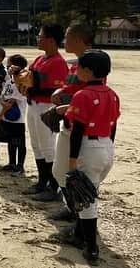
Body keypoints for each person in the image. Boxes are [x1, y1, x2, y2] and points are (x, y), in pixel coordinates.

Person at [63, 50, 120, 265]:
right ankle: (79, 234)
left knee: (86, 199)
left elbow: (77, 130)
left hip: (89, 147)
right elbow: (114, 125)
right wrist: (108, 147)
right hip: (106, 146)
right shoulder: (113, 94)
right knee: (90, 191)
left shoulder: (83, 95)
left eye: (79, 68)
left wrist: (71, 160)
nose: (76, 71)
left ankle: (92, 247)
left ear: (88, 71)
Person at [50, 23, 95, 222]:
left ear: (77, 39)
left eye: (67, 37)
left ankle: (81, 220)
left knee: (77, 174)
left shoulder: (93, 63)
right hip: (68, 122)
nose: (64, 41)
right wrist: (62, 92)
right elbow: (72, 87)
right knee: (59, 170)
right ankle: (72, 208)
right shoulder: (76, 63)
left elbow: (90, 97)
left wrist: (66, 107)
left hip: (81, 127)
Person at [20, 24, 68, 202]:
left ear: (51, 40)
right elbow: (28, 75)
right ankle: (42, 182)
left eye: (40, 36)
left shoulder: (58, 62)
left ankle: (53, 188)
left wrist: (32, 87)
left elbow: (57, 91)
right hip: (33, 105)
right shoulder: (41, 59)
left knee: (48, 148)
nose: (37, 38)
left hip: (45, 107)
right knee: (36, 145)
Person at [0, 54, 28, 176]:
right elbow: (2, 97)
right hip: (7, 117)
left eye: (10, 65)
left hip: (17, 119)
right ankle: (12, 163)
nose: (8, 68)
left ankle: (20, 166)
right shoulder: (9, 82)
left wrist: (0, 115)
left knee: (19, 142)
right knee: (11, 142)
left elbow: (11, 102)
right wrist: (2, 103)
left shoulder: (21, 82)